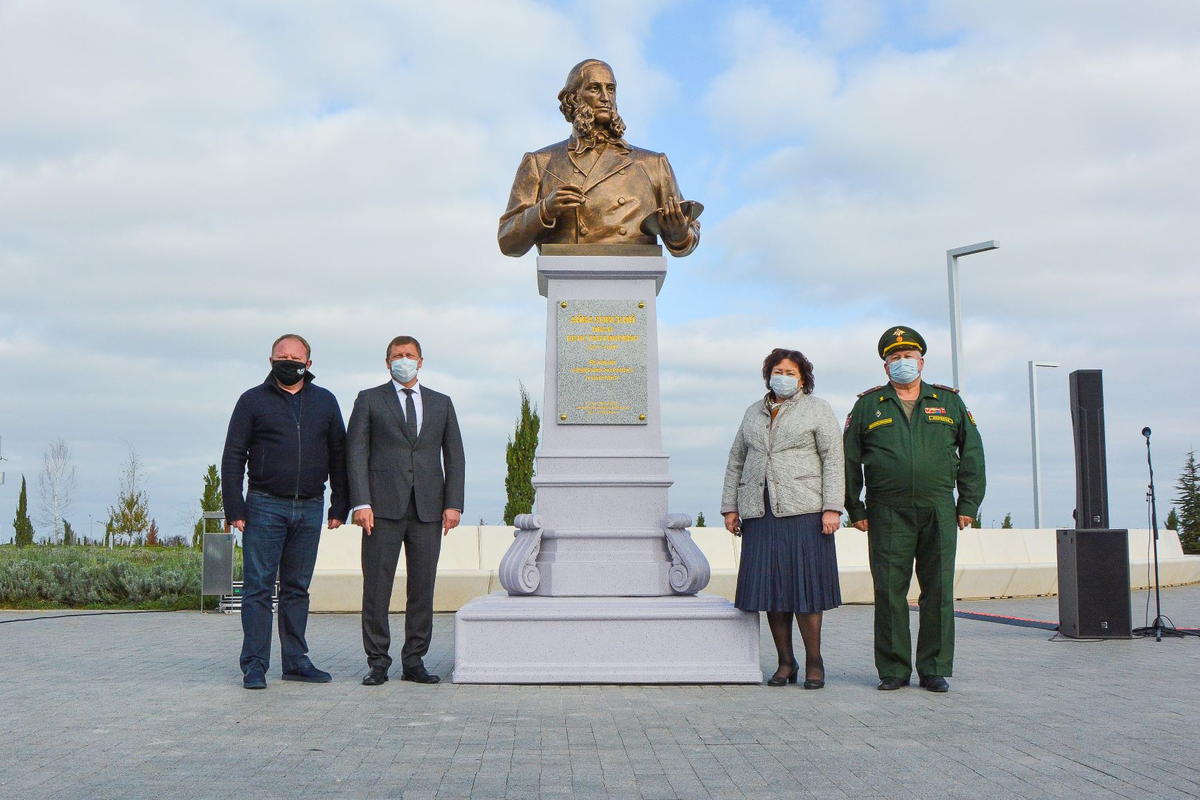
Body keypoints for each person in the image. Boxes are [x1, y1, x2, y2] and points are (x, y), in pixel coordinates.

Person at [843, 326, 986, 693]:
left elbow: (972, 454)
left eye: (908, 357)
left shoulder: (948, 402)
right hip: (886, 511)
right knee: (889, 591)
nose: (902, 363)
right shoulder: (868, 406)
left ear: (921, 362)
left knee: (937, 591)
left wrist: (968, 502)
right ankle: (893, 669)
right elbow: (849, 460)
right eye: (895, 358)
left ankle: (933, 668)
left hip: (938, 507)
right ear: (885, 367)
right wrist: (854, 507)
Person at [221, 334, 349, 690]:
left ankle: (295, 661)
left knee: (297, 588)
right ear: (271, 360)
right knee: (258, 587)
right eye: (282, 356)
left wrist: (341, 504)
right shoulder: (251, 401)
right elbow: (233, 455)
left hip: (310, 506)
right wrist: (235, 505)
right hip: (264, 504)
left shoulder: (325, 402)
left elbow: (339, 455)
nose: (288, 361)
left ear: (309, 364)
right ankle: (255, 665)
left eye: (295, 357)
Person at [721, 348, 845, 689]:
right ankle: (785, 662)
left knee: (806, 591)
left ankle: (815, 662)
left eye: (791, 372)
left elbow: (834, 458)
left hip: (805, 510)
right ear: (768, 375)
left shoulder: (817, 409)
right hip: (760, 512)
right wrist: (730, 507)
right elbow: (736, 461)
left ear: (802, 377)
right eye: (778, 370)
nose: (784, 377)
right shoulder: (752, 413)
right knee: (771, 592)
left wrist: (833, 506)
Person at [347, 336, 465, 686]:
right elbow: (355, 452)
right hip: (380, 508)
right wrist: (361, 502)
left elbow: (454, 455)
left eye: (409, 355)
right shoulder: (369, 399)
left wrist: (453, 503)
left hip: (428, 508)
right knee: (377, 586)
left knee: (422, 588)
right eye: (397, 356)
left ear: (421, 361)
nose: (404, 360)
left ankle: (414, 660)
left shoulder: (441, 403)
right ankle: (378, 662)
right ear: (387, 363)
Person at [498, 58, 701, 257]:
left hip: (634, 273)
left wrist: (679, 233)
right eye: (595, 88)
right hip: (568, 273)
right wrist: (545, 210)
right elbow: (508, 241)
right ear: (573, 98)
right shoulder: (541, 163)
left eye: (610, 89)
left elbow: (688, 232)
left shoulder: (653, 164)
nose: (606, 97)